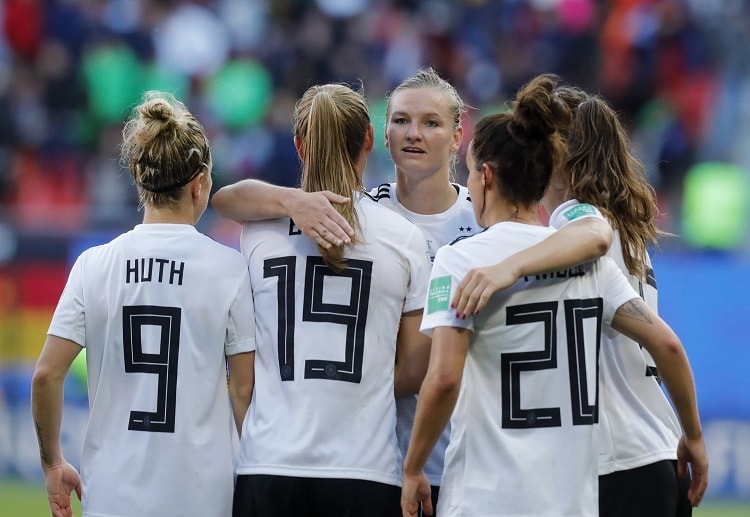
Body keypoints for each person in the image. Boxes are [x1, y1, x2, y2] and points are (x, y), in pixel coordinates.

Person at [212, 69, 612, 515]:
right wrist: (291, 199)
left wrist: (510, 267)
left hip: (464, 453)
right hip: (386, 457)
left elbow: (588, 237)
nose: (413, 134)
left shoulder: (488, 215)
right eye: (401, 120)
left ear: (458, 136)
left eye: (431, 122)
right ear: (378, 136)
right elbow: (228, 199)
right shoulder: (360, 213)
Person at [400, 74, 708, 517]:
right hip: (652, 444)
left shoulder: (573, 224)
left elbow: (592, 235)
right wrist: (692, 433)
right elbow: (668, 344)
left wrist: (508, 267)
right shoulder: (624, 233)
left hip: (603, 458)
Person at [30, 91, 257, 517]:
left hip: (111, 497)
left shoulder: (93, 265)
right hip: (203, 498)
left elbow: (46, 375)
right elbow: (244, 391)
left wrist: (52, 463)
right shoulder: (230, 268)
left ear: (139, 179)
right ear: (199, 183)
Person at [227, 83, 432, 517]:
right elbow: (416, 368)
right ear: (369, 140)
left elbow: (224, 197)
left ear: (299, 145)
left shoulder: (258, 232)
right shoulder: (403, 238)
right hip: (365, 468)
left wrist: (287, 201)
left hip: (268, 464)